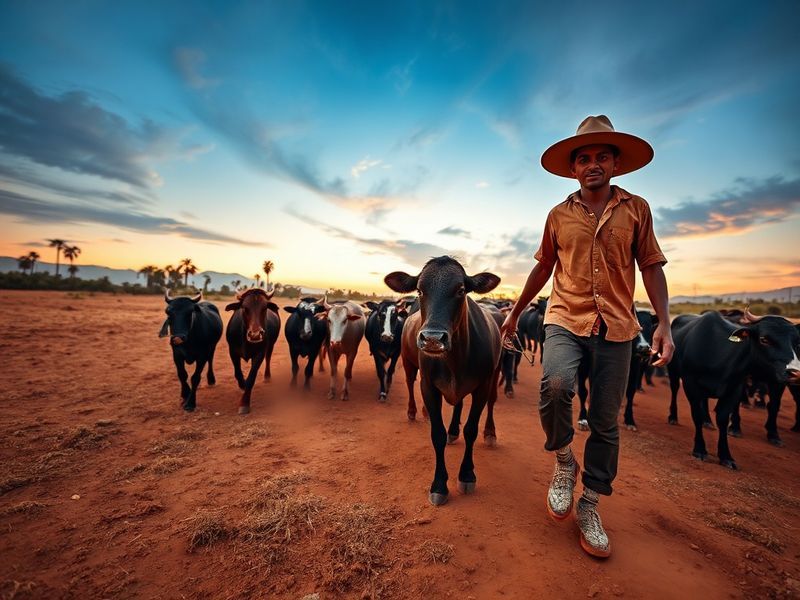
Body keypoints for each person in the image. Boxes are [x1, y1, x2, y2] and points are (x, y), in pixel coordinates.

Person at [501, 115, 674, 558]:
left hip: (616, 326)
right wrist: (515, 313)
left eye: (601, 156)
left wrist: (666, 325)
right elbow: (543, 267)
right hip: (564, 317)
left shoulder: (637, 210)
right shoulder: (558, 215)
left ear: (615, 164)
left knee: (604, 421)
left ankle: (591, 503)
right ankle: (563, 462)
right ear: (573, 168)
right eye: (584, 158)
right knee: (556, 385)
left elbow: (651, 265)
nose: (592, 164)